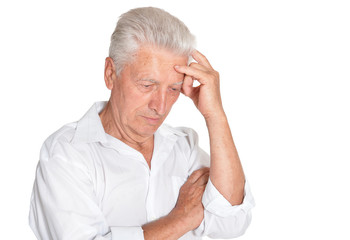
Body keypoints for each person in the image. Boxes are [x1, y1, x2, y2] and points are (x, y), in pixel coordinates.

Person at [29, 7, 255, 240]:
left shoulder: (183, 147)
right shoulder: (67, 153)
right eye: (147, 86)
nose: (161, 106)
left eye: (174, 89)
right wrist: (181, 219)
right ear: (110, 73)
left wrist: (215, 115)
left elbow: (230, 222)